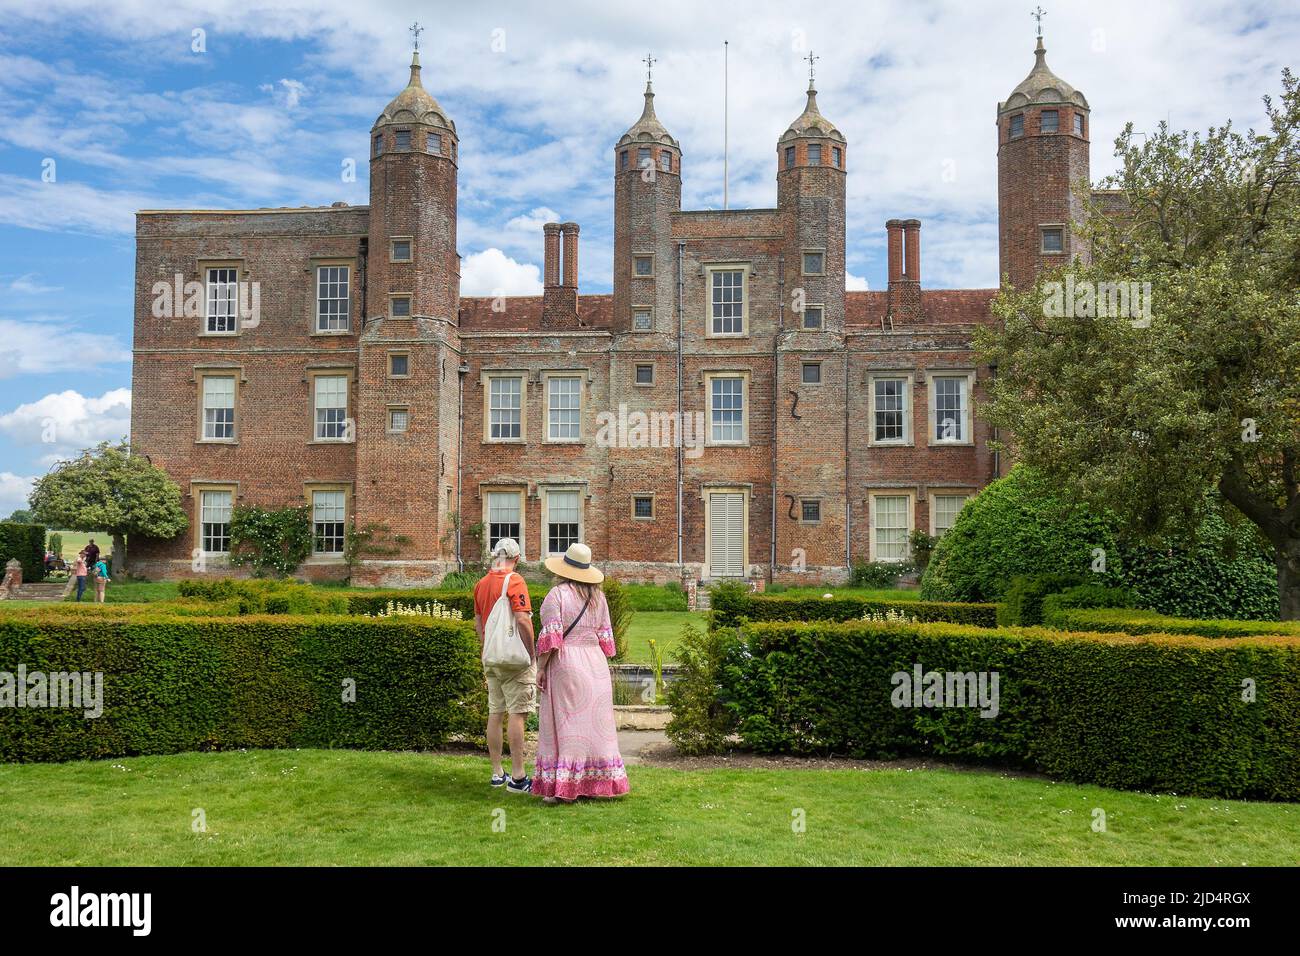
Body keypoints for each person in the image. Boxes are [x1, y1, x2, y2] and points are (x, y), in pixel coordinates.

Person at [533, 542, 628, 803]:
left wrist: (540, 668)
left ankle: (564, 788)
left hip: (568, 662)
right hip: (595, 662)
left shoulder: (557, 595)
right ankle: (596, 782)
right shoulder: (599, 597)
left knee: (566, 724)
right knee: (595, 727)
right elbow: (605, 637)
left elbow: (552, 637)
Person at [472, 538, 536, 793]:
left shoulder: (481, 584)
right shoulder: (515, 580)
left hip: (492, 658)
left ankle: (497, 773)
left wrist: (486, 648)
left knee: (495, 713)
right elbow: (522, 620)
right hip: (514, 660)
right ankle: (519, 777)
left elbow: (479, 623)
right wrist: (531, 654)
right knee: (518, 713)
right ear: (516, 558)